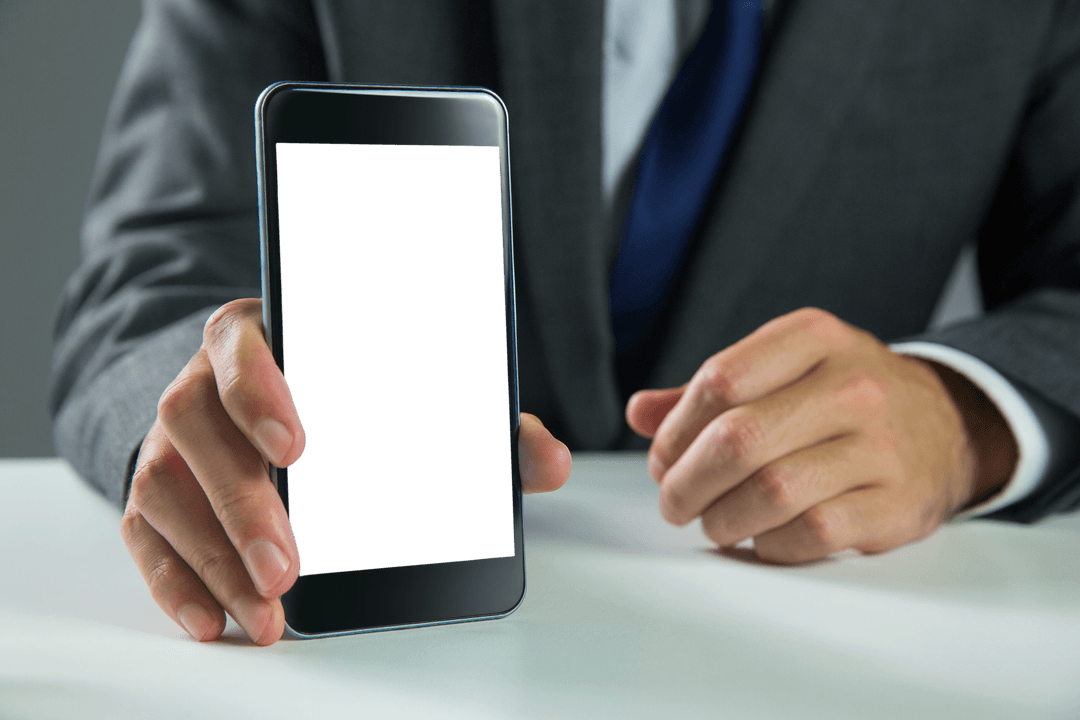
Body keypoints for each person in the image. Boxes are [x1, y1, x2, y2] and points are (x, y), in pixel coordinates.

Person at [50, 0, 1080, 646]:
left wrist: (965, 419)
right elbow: (149, 275)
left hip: (830, 640)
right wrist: (193, 416)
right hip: (397, 647)